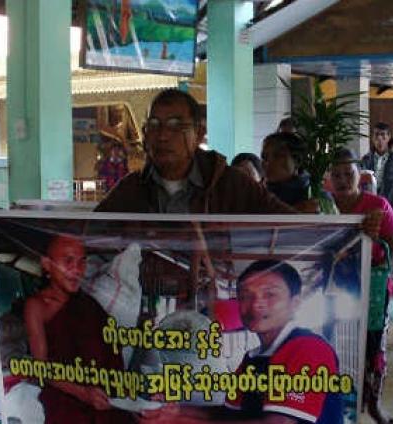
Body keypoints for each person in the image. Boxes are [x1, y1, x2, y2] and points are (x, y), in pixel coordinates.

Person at [139, 260, 343, 424]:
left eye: (270, 294)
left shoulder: (308, 348)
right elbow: (228, 414)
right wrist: (175, 412)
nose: (256, 304)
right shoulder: (253, 357)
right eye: (246, 296)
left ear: (295, 303)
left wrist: (182, 420)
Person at [95, 89, 294, 215]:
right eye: (154, 125)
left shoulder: (231, 185)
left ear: (199, 134)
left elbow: (290, 226)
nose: (162, 135)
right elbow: (88, 237)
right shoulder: (130, 190)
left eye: (175, 126)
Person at [23, 234, 133, 423]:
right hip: (66, 398)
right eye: (68, 261)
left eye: (82, 261)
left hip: (104, 397)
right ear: (47, 264)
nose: (77, 270)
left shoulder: (89, 305)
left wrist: (122, 389)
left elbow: (112, 351)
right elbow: (41, 367)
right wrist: (82, 392)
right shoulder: (38, 306)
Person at [329, 148, 393, 424]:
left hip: (373, 290)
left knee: (374, 349)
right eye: (336, 175)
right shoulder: (323, 207)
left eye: (348, 174)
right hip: (333, 288)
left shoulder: (377, 204)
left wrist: (380, 274)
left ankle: (375, 403)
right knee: (337, 345)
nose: (342, 180)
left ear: (359, 175)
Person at [261, 132, 335, 214]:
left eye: (278, 156)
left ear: (297, 161)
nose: (268, 163)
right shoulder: (258, 195)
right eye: (264, 157)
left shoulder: (316, 196)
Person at [361, 123, 393, 209]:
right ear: (372, 138)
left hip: (390, 206)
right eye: (376, 135)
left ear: (389, 137)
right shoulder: (365, 160)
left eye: (383, 135)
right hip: (369, 205)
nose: (379, 139)